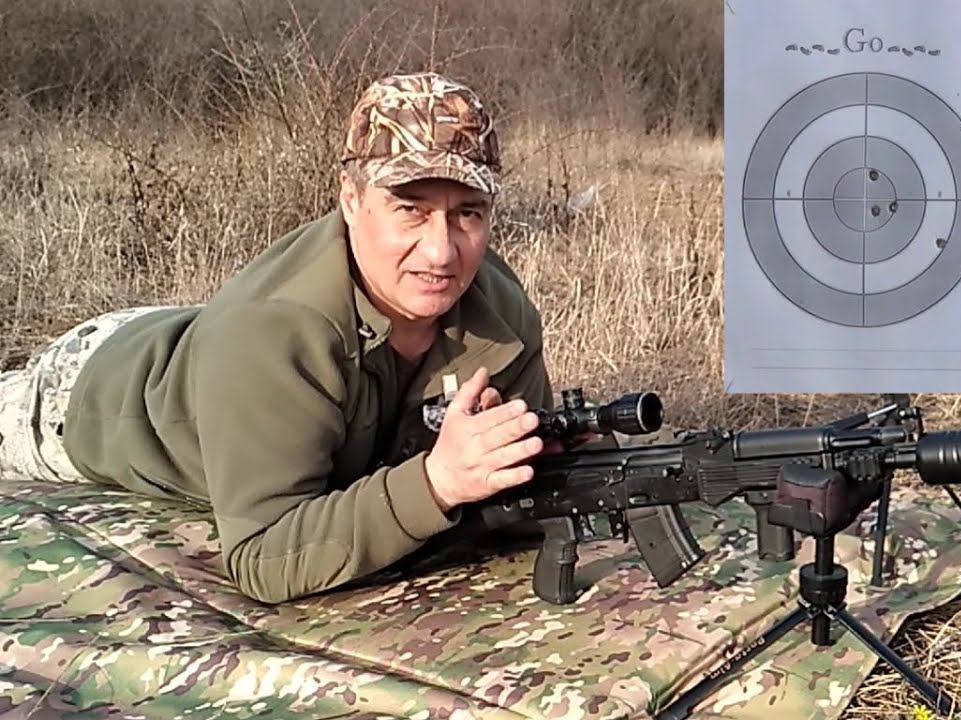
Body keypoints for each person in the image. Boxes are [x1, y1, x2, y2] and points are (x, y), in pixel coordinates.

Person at [0, 71, 560, 604]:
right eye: (410, 210)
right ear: (350, 200)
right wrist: (436, 483)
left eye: (468, 214)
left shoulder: (502, 313)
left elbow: (520, 482)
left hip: (208, 342)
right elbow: (262, 557)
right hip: (85, 395)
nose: (441, 251)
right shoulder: (273, 332)